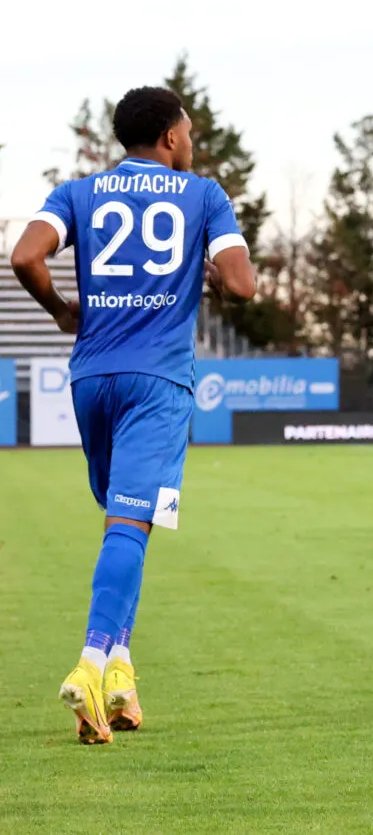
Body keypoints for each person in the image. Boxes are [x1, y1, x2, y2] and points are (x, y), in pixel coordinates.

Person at [9, 86, 255, 744]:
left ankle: (120, 675)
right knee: (129, 522)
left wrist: (64, 312)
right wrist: (207, 262)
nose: (193, 143)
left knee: (128, 522)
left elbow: (24, 256)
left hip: (90, 379)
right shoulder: (203, 195)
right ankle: (90, 663)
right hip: (159, 384)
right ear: (172, 138)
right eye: (190, 132)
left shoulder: (77, 193)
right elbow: (242, 284)